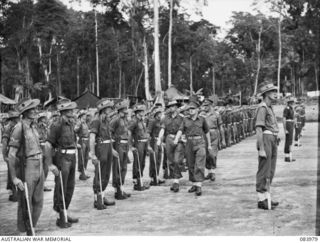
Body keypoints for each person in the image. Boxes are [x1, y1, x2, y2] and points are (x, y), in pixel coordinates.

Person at [7, 98, 44, 235]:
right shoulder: (19, 128)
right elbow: (11, 154)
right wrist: (14, 178)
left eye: (35, 108)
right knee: (25, 201)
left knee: (38, 200)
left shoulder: (34, 126)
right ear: (25, 112)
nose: (35, 111)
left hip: (38, 164)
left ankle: (32, 226)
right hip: (27, 165)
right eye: (32, 109)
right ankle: (26, 230)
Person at [45, 100, 79, 228]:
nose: (72, 111)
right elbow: (48, 145)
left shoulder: (70, 123)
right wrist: (50, 165)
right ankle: (60, 217)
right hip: (62, 157)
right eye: (69, 109)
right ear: (63, 111)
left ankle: (65, 211)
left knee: (70, 186)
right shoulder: (57, 124)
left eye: (72, 109)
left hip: (71, 156)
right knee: (61, 187)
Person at [174, 97, 211, 196]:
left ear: (197, 110)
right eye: (189, 109)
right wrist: (176, 139)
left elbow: (207, 132)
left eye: (193, 109)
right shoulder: (185, 120)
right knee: (191, 164)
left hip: (200, 143)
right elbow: (180, 130)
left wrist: (210, 145)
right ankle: (194, 184)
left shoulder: (202, 119)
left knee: (199, 164)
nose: (191, 110)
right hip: (189, 143)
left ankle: (199, 186)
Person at [255, 81, 280, 210]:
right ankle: (261, 199)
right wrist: (262, 149)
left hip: (272, 139)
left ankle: (267, 197)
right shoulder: (262, 108)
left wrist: (277, 135)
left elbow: (272, 125)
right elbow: (259, 129)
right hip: (265, 139)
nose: (276, 94)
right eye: (273, 92)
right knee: (264, 169)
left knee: (270, 170)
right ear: (266, 94)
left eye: (276, 91)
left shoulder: (270, 107)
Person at [89, 99, 118, 209]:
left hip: (108, 148)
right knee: (100, 173)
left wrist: (112, 149)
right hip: (100, 148)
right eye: (109, 108)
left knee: (106, 174)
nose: (110, 110)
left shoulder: (106, 120)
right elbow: (92, 137)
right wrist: (92, 154)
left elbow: (108, 137)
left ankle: (103, 194)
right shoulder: (96, 120)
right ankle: (97, 199)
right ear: (104, 109)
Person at [157, 100, 184, 192]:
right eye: (170, 107)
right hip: (168, 139)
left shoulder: (181, 118)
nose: (171, 108)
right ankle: (174, 180)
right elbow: (162, 129)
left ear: (176, 107)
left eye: (173, 106)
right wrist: (159, 139)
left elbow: (183, 129)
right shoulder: (165, 118)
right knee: (171, 161)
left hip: (178, 139)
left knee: (177, 160)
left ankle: (176, 181)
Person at [110, 100, 132, 200]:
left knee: (123, 168)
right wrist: (113, 144)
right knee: (117, 168)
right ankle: (116, 190)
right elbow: (110, 131)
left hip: (125, 144)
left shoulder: (125, 120)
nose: (126, 111)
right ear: (119, 111)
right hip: (118, 144)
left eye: (126, 110)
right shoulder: (115, 120)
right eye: (124, 110)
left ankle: (121, 188)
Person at [128, 104, 150, 191]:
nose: (143, 112)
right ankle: (137, 183)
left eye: (143, 111)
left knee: (142, 163)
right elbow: (129, 132)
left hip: (143, 143)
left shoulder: (141, 120)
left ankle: (140, 181)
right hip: (138, 143)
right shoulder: (134, 121)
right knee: (138, 163)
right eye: (142, 111)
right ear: (138, 112)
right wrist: (130, 146)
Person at [202, 97, 223, 181]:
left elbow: (220, 126)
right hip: (204, 135)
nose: (205, 107)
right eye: (204, 105)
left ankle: (213, 172)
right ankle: (209, 172)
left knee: (213, 154)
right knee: (206, 155)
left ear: (211, 105)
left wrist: (222, 139)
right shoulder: (201, 115)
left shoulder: (216, 114)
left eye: (207, 105)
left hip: (214, 134)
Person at [2, 110, 20, 202]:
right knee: (12, 174)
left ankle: (15, 193)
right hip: (11, 152)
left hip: (18, 153)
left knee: (17, 173)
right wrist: (4, 156)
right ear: (13, 119)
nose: (18, 119)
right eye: (16, 118)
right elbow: (4, 143)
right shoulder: (8, 128)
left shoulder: (17, 127)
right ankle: (13, 194)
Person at [147, 107, 165, 186]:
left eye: (160, 113)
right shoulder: (152, 121)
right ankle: (152, 178)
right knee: (153, 160)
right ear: (155, 114)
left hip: (159, 141)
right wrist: (148, 144)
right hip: (153, 141)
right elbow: (148, 133)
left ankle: (157, 176)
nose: (160, 115)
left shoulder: (160, 121)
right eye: (158, 113)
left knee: (158, 160)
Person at [37, 112, 52, 191]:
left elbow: (48, 136)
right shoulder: (35, 127)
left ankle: (43, 184)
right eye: (43, 119)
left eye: (45, 119)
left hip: (45, 148)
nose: (44, 120)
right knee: (39, 168)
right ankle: (38, 186)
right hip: (38, 148)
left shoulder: (46, 127)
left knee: (46, 168)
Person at [75, 110, 90, 180]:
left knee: (86, 158)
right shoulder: (79, 123)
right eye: (84, 115)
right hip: (82, 141)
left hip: (87, 141)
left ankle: (84, 172)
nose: (85, 116)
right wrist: (77, 141)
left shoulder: (85, 123)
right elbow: (75, 130)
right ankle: (81, 174)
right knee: (82, 158)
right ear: (81, 116)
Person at [283, 96, 295, 162]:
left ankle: (289, 156)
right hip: (288, 124)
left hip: (291, 124)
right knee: (288, 140)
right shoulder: (286, 109)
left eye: (292, 102)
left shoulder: (291, 108)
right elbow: (284, 118)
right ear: (288, 102)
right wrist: (285, 129)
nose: (292, 103)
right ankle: (287, 157)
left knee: (290, 140)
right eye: (291, 102)